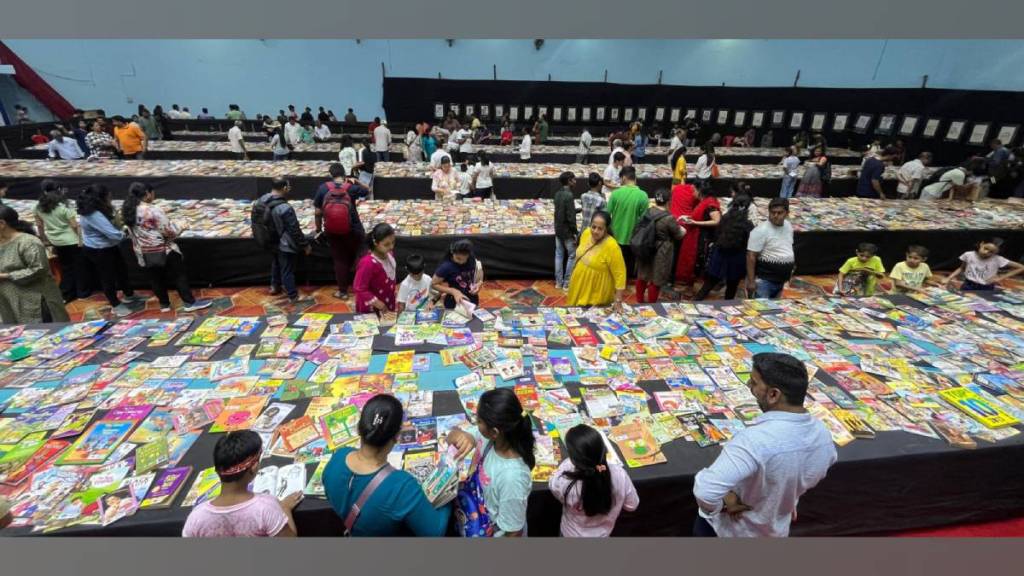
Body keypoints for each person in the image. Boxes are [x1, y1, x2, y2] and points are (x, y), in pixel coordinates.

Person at [692, 352, 837, 537]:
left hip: (731, 531)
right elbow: (821, 468)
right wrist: (788, 495)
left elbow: (706, 490)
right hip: (775, 529)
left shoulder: (753, 441)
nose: (749, 385)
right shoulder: (822, 434)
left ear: (773, 394)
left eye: (754, 382)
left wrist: (726, 502)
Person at [321, 394, 452, 536]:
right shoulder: (401, 485)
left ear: (359, 428)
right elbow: (435, 531)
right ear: (397, 437)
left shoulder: (339, 456)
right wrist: (448, 497)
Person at [446, 388, 535, 537]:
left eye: (479, 420)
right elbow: (451, 438)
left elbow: (513, 532)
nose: (475, 422)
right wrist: (459, 435)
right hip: (473, 513)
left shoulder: (512, 478)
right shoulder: (489, 437)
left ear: (494, 432)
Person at [182, 431, 300, 537]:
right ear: (253, 468)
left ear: (217, 470)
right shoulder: (266, 507)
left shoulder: (196, 518)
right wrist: (285, 508)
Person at [121, 183, 211, 313]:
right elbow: (169, 232)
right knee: (179, 274)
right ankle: (189, 303)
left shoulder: (128, 209)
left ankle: (164, 305)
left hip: (143, 251)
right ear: (147, 194)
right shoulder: (152, 210)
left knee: (155, 278)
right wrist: (182, 225)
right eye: (152, 192)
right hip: (163, 249)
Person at [549, 424, 639, 537]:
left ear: (574, 459)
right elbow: (632, 505)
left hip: (570, 534)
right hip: (603, 534)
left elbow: (553, 485)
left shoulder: (565, 480)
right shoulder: (619, 474)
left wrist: (566, 464)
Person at [77, 184, 143, 316]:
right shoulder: (93, 214)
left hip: (108, 246)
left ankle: (129, 294)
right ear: (101, 197)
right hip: (99, 249)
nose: (110, 197)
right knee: (108, 277)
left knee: (121, 270)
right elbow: (113, 234)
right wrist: (126, 232)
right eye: (108, 195)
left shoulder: (98, 209)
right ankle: (115, 304)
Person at [0, 206, 69, 324]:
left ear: (2, 223)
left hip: (34, 300)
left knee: (44, 332)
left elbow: (39, 269)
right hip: (9, 300)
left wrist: (6, 276)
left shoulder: (28, 242)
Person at [313, 163, 368, 300]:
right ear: (344, 174)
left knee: (339, 259)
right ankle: (360, 286)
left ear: (330, 175)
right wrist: (357, 181)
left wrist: (319, 229)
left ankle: (342, 292)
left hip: (332, 230)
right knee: (360, 255)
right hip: (353, 229)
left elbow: (318, 212)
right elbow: (367, 190)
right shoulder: (351, 187)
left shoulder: (323, 188)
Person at [694, 191, 754, 301]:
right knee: (731, 288)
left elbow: (717, 234)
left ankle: (695, 303)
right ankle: (727, 309)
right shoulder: (748, 224)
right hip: (736, 259)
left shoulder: (725, 218)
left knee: (709, 284)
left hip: (720, 254)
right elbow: (749, 243)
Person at [34, 181, 88, 302]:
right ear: (59, 190)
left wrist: (44, 239)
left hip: (56, 241)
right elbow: (75, 226)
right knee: (79, 267)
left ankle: (68, 293)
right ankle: (80, 293)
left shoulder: (38, 207)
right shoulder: (63, 207)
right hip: (72, 241)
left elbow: (39, 225)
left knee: (66, 267)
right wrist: (81, 240)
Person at [259, 179, 311, 303]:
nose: (290, 188)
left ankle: (274, 286)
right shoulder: (285, 207)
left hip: (269, 239)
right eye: (288, 186)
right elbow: (294, 230)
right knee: (287, 269)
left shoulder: (262, 200)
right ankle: (293, 295)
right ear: (283, 188)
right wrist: (305, 245)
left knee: (276, 262)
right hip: (284, 242)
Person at [566, 211, 627, 307]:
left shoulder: (612, 246)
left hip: (596, 293)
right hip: (578, 286)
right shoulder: (586, 233)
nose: (595, 231)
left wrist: (618, 300)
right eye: (593, 227)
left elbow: (620, 274)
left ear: (606, 229)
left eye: (600, 229)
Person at [635, 189, 685, 303]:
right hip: (661, 251)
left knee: (642, 275)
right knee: (656, 279)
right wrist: (682, 227)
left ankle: (639, 301)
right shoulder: (669, 218)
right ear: (668, 202)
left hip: (646, 247)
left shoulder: (648, 211)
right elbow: (679, 234)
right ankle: (652, 305)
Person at [745, 198, 795, 299]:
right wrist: (751, 282)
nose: (775, 216)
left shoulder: (788, 226)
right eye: (773, 212)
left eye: (779, 213)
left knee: (775, 312)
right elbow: (751, 256)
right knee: (761, 311)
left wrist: (792, 268)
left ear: (787, 213)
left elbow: (789, 246)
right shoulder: (760, 230)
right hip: (764, 281)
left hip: (782, 280)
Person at [675, 181, 721, 288]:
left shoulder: (710, 203)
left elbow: (717, 220)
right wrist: (688, 217)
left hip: (703, 238)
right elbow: (701, 216)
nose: (693, 193)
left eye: (694, 190)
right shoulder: (704, 201)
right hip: (697, 235)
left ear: (700, 191)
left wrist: (695, 223)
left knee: (699, 262)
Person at [607, 165, 651, 277]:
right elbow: (644, 219)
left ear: (624, 178)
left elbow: (607, 214)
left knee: (615, 261)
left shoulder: (615, 194)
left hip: (615, 234)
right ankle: (626, 280)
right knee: (629, 262)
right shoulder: (643, 196)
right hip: (633, 236)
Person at [942, 237, 1024, 291]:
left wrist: (1001, 277)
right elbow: (961, 268)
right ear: (982, 244)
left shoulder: (998, 259)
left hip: (987, 287)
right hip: (968, 285)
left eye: (991, 252)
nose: (986, 252)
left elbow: (1021, 267)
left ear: (996, 253)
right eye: (986, 248)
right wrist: (949, 278)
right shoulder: (969, 255)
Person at [352, 223, 398, 315]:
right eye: (386, 244)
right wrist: (378, 304)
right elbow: (359, 288)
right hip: (372, 308)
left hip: (387, 302)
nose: (391, 247)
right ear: (376, 243)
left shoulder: (389, 254)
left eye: (393, 242)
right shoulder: (367, 263)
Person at [432, 239, 483, 310]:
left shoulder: (472, 258)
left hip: (471, 299)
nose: (461, 262)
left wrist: (479, 284)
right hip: (453, 301)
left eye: (465, 259)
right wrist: (453, 291)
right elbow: (434, 284)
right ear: (453, 253)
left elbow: (479, 274)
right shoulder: (446, 267)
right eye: (458, 259)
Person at [553, 172, 579, 291]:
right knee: (572, 255)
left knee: (559, 255)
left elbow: (560, 211)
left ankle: (558, 282)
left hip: (558, 229)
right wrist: (575, 232)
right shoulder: (569, 196)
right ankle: (566, 283)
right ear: (569, 181)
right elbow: (570, 218)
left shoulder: (557, 193)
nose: (575, 182)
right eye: (574, 180)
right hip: (567, 231)